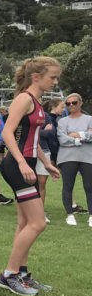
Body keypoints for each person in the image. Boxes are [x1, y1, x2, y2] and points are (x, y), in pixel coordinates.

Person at [0, 58, 62, 296]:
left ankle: (21, 274)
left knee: (25, 224)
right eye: (52, 77)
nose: (55, 81)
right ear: (36, 77)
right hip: (16, 165)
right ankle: (9, 275)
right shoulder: (24, 99)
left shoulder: (37, 102)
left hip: (28, 163)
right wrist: (23, 163)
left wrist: (47, 164)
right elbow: (7, 132)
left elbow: (33, 140)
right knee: (38, 222)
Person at [57, 93, 92, 226]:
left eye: (74, 102)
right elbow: (62, 139)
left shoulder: (89, 118)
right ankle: (70, 214)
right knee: (68, 185)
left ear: (80, 103)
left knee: (89, 186)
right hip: (67, 157)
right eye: (68, 103)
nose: (71, 105)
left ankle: (91, 216)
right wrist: (80, 138)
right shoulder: (62, 121)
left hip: (87, 157)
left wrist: (76, 135)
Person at [36, 97, 64, 221]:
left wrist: (36, 133)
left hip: (44, 151)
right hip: (28, 151)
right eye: (62, 106)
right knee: (29, 183)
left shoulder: (46, 116)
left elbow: (50, 133)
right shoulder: (24, 115)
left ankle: (40, 213)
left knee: (41, 182)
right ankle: (31, 212)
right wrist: (41, 132)